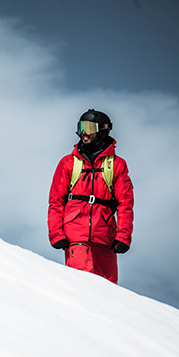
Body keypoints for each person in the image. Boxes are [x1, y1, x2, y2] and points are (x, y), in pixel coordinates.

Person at [48, 109, 134, 284]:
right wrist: (56, 233)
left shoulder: (117, 165)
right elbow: (56, 201)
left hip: (105, 237)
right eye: (81, 128)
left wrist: (123, 236)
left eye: (88, 127)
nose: (84, 133)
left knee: (108, 289)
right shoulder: (68, 163)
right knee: (82, 283)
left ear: (102, 130)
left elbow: (125, 204)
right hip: (76, 235)